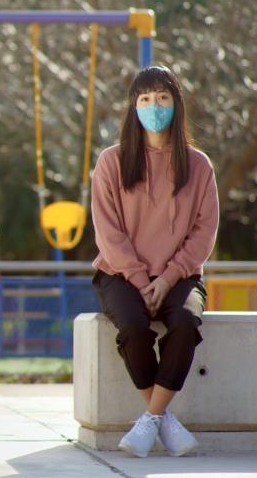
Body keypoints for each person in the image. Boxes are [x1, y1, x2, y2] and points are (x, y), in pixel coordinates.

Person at [91, 65, 218, 458]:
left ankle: (150, 419)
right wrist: (137, 275)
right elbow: (108, 229)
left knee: (183, 321)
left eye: (162, 97)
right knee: (132, 325)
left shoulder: (198, 165)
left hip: (179, 276)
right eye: (144, 99)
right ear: (133, 106)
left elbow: (204, 230)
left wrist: (167, 278)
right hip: (119, 273)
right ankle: (162, 419)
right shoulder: (112, 162)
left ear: (176, 104)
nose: (153, 106)